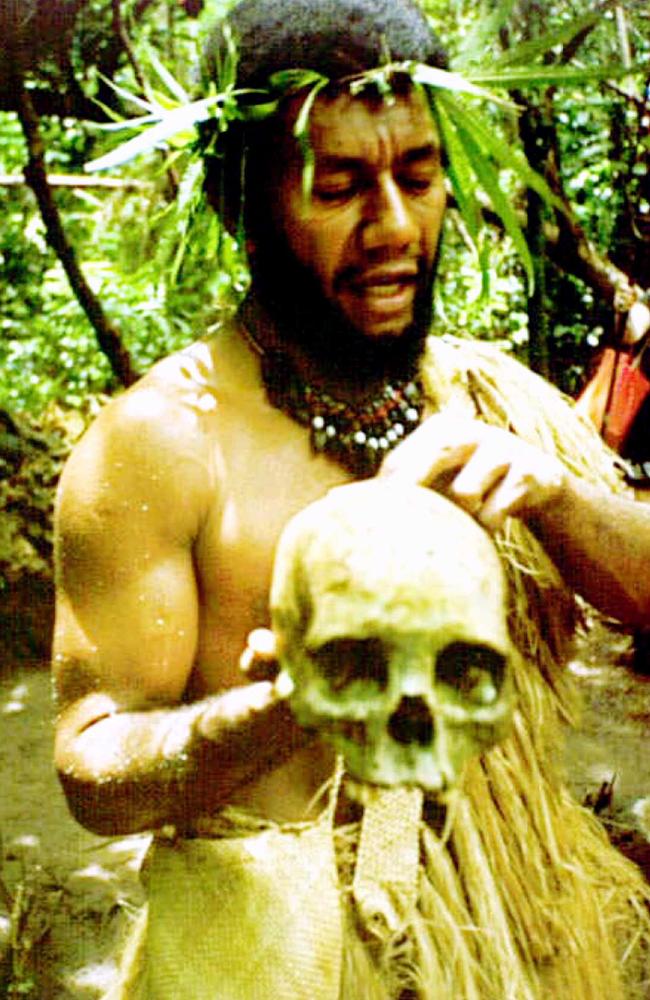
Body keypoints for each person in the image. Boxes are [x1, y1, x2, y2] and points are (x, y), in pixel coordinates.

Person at [52, 1, 650, 997]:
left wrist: (556, 497)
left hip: (509, 942)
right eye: (337, 188)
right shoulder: (159, 446)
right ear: (236, 196)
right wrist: (290, 705)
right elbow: (91, 767)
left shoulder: (486, 397)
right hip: (268, 957)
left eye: (417, 177)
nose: (393, 226)